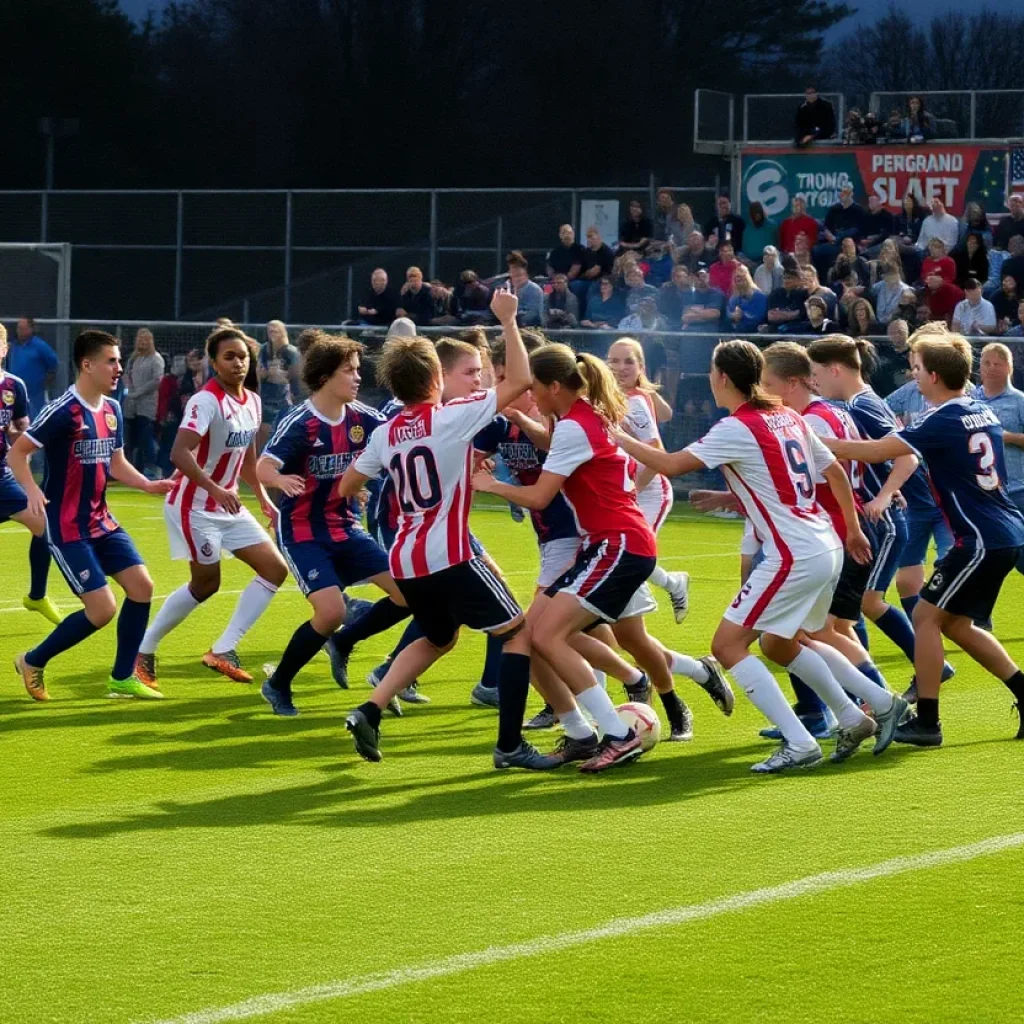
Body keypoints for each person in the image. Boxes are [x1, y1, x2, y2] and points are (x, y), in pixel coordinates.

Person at [615, 340, 883, 774]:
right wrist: (851, 529)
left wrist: (618, 434)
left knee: (727, 645)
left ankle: (801, 741)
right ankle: (858, 714)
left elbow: (667, 465)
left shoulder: (737, 427)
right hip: (824, 542)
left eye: (712, 371)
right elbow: (832, 470)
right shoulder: (786, 415)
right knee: (784, 641)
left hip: (793, 552)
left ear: (722, 378)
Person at [335, 288, 559, 770]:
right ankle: (510, 747)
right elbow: (520, 378)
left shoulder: (386, 430)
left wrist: (365, 487)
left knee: (440, 638)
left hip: (406, 556)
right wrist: (508, 319)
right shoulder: (453, 417)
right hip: (452, 553)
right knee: (517, 635)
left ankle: (369, 709)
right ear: (437, 377)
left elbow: (349, 483)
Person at [823, 329, 1024, 745]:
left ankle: (928, 723)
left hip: (979, 538)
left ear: (932, 375)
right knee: (956, 624)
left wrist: (814, 441)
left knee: (925, 617)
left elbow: (879, 451)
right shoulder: (979, 409)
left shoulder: (940, 417)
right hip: (1001, 530)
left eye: (916, 369)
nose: (913, 378)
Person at [471, 343, 658, 772]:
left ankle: (616, 734)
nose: (530, 395)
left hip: (619, 544)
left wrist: (491, 485)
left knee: (546, 637)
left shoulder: (576, 425)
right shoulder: (582, 415)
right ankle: (581, 733)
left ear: (555, 386)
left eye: (534, 388)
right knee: (529, 634)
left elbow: (540, 495)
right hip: (608, 544)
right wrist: (521, 420)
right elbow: (558, 444)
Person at [9, 330, 175, 701]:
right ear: (87, 365)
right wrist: (32, 490)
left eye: (119, 361)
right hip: (67, 526)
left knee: (142, 587)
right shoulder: (63, 411)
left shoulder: (113, 410)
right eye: (112, 361)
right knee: (102, 609)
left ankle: (121, 678)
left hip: (102, 520)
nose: (119, 368)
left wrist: (148, 485)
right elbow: (16, 454)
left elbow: (116, 463)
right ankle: (33, 660)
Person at [253, 335, 413, 715]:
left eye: (358, 369)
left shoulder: (362, 417)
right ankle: (278, 685)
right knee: (329, 613)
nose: (358, 377)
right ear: (325, 376)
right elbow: (263, 466)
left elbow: (398, 437)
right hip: (304, 532)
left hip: (345, 526)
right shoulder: (301, 422)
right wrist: (279, 481)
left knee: (408, 593)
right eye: (350, 370)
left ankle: (343, 642)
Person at [134, 326, 288, 690]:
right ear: (214, 363)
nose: (237, 363)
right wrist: (216, 488)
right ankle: (144, 650)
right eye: (229, 356)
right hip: (194, 505)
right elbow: (178, 452)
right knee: (206, 585)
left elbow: (248, 462)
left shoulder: (252, 399)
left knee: (274, 569)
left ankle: (223, 649)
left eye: (242, 356)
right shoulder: (205, 400)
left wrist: (265, 500)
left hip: (227, 504)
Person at [807, 336, 945, 681]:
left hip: (885, 520)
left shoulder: (863, 405)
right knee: (853, 611)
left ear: (835, 369)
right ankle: (869, 686)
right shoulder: (858, 403)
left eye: (816, 373)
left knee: (862, 607)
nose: (814, 382)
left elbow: (907, 456)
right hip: (886, 516)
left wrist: (884, 495)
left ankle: (923, 669)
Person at [607, 338, 690, 618]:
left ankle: (671, 586)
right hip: (625, 487)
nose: (620, 367)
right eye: (614, 361)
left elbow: (657, 455)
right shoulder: (617, 396)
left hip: (650, 489)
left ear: (641, 366)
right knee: (619, 552)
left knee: (633, 554)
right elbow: (665, 414)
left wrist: (635, 491)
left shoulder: (635, 401)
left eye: (629, 361)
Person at [0, 325, 60, 625]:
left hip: (2, 475)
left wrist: (25, 435)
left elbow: (18, 426)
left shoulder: (13, 386)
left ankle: (36, 596)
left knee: (41, 524)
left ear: (4, 350)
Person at [974, 343, 1024, 575]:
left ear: (1009, 368)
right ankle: (976, 612)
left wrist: (1005, 436)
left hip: (1017, 489)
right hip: (980, 492)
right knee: (985, 558)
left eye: (998, 364)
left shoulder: (1019, 401)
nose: (992, 368)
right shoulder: (970, 401)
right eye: (987, 362)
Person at [122, 328, 164, 477]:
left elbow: (157, 380)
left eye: (145, 339)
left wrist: (139, 392)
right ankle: (133, 469)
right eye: (140, 339)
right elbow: (126, 374)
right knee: (131, 438)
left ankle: (152, 468)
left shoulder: (156, 358)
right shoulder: (134, 358)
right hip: (131, 404)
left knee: (146, 437)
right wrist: (129, 389)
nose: (142, 342)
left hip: (147, 404)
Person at [256, 320, 300, 449]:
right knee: (263, 427)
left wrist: (281, 376)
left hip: (282, 393)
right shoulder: (264, 349)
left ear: (282, 332)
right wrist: (266, 374)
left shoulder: (291, 351)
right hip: (266, 391)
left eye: (275, 331)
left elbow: (295, 376)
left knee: (282, 425)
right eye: (270, 331)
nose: (272, 334)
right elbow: (260, 371)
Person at [5, 317, 58, 418]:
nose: (20, 332)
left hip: (35, 392)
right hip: (14, 391)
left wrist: (47, 380)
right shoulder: (14, 346)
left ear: (31, 329)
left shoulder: (40, 346)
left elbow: (53, 363)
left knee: (35, 417)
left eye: (23, 329)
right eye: (19, 328)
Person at [813, 185, 865, 279]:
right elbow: (826, 226)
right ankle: (822, 280)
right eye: (841, 192)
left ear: (851, 194)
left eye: (845, 192)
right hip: (832, 242)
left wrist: (838, 238)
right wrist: (828, 233)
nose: (842, 194)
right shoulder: (834, 209)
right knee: (816, 251)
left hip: (849, 244)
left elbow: (858, 230)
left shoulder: (859, 210)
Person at [155, 352, 183, 478]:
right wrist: (162, 416)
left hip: (178, 417)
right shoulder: (168, 380)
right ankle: (165, 472)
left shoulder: (180, 380)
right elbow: (163, 399)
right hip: (171, 417)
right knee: (167, 445)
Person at [763, 267, 809, 333]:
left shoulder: (804, 294)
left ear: (799, 280)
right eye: (784, 277)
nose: (786, 280)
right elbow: (771, 317)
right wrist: (792, 314)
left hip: (797, 331)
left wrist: (781, 314)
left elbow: (801, 314)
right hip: (775, 330)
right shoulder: (776, 293)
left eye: (790, 278)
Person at [505, 250, 544, 327]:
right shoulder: (507, 288)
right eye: (514, 276)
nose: (517, 279)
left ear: (526, 275)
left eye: (519, 275)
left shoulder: (534, 289)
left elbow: (534, 313)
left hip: (531, 327)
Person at [680, 268, 726, 333]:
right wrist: (705, 315)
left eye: (703, 275)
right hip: (690, 333)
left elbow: (714, 314)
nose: (700, 278)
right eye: (697, 276)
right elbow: (685, 317)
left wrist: (694, 312)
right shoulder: (688, 295)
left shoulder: (717, 294)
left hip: (712, 333)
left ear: (709, 277)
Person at [727, 265, 768, 332]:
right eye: (737, 277)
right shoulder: (734, 298)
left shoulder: (760, 296)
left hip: (755, 333)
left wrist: (742, 315)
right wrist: (733, 316)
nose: (739, 279)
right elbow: (729, 313)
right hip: (736, 333)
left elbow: (759, 317)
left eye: (742, 276)